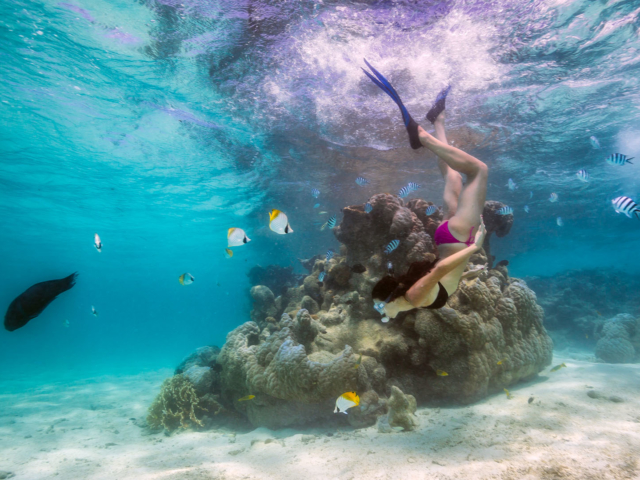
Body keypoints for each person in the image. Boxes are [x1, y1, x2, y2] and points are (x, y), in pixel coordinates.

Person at [363, 60, 488, 318]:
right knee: (453, 180)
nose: (380, 312)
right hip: (446, 239)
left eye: (379, 306)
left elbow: (440, 272)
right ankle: (437, 120)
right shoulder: (411, 295)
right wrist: (468, 270)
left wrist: (474, 248)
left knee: (478, 171)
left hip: (457, 238)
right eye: (378, 307)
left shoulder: (414, 297)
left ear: (391, 299)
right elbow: (442, 273)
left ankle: (422, 136)